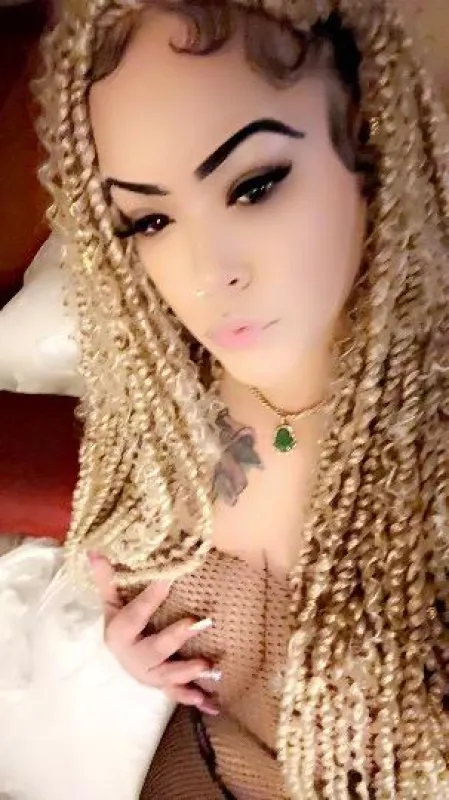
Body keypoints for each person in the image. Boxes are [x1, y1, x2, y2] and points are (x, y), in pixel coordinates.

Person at [33, 0, 448, 797]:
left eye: (253, 186)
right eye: (149, 219)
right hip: (190, 763)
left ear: (362, 137)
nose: (205, 274)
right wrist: (130, 649)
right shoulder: (159, 394)